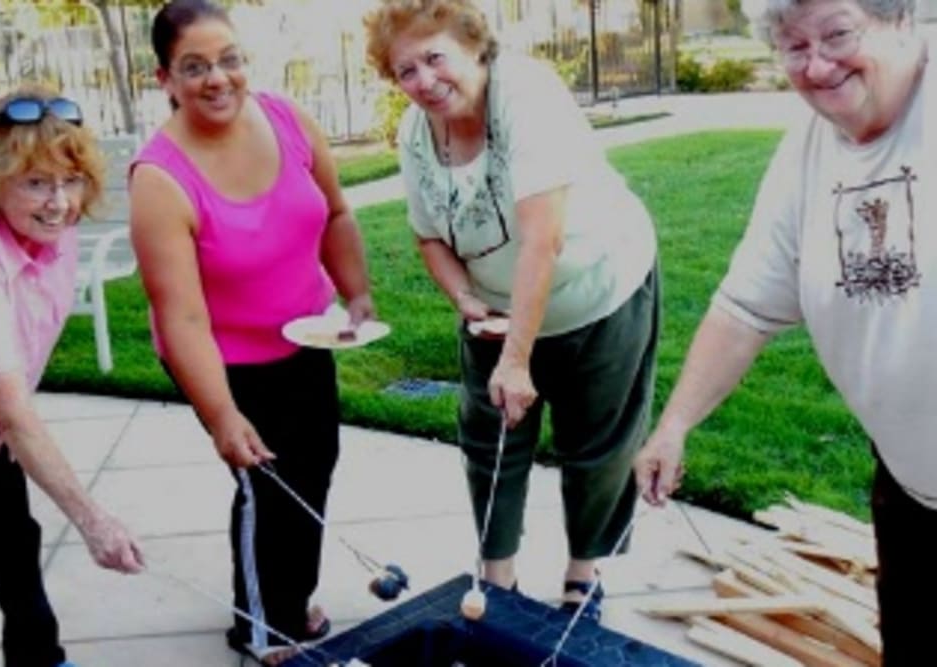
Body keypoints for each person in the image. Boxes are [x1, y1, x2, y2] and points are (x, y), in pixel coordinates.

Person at [633, 0, 932, 662]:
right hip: (913, 491)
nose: (817, 65)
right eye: (793, 47)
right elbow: (746, 305)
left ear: (901, 19)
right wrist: (674, 424)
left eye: (837, 34)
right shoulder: (809, 148)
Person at [363, 0, 659, 620]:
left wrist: (517, 359)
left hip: (598, 291)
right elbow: (429, 237)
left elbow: (542, 239)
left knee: (597, 444)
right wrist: (468, 303)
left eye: (434, 58)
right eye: (405, 71)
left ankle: (584, 574)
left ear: (473, 47)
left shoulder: (525, 94)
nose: (423, 80)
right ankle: (497, 579)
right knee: (491, 441)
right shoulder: (416, 134)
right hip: (496, 309)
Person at [129, 1, 375, 663]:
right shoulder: (159, 178)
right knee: (264, 484)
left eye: (229, 58)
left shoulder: (288, 119)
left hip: (305, 333)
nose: (218, 78)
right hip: (221, 353)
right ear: (165, 79)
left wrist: (355, 295)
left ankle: (290, 598)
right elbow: (180, 316)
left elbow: (337, 215)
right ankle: (262, 627)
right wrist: (220, 414)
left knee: (312, 465)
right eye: (195, 66)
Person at [0, 85, 144, 667]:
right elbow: (5, 401)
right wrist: (93, 519)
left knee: (13, 545)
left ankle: (42, 659)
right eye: (35, 181)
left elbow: (20, 358)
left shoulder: (54, 228)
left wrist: (10, 410)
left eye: (70, 180)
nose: (59, 202)